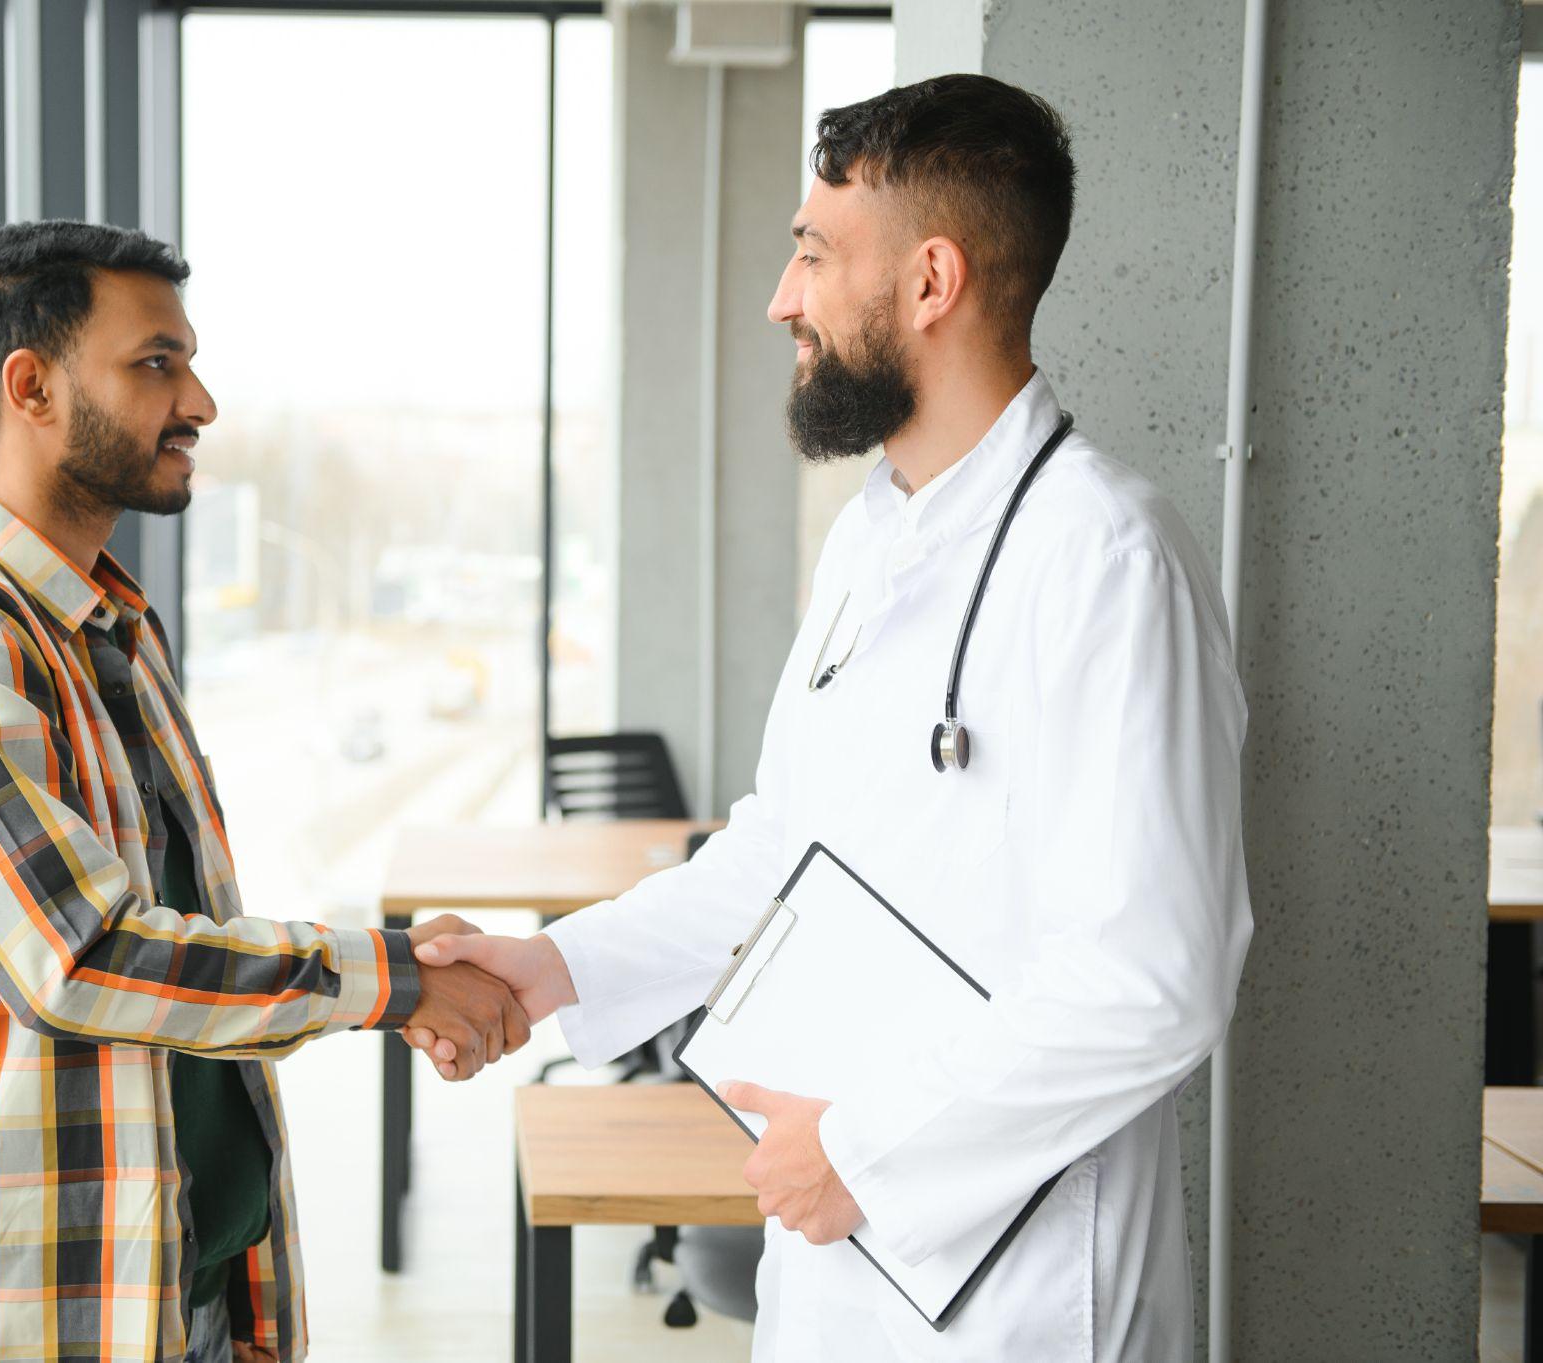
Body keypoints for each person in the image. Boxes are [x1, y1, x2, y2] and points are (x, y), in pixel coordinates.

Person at [409, 75, 1253, 1361]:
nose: (780, 299)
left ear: (928, 282)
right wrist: (559, 967)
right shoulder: (872, 540)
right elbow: (778, 858)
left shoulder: (1105, 558)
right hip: (836, 1256)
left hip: (1022, 1299)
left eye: (810, 254)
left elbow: (1153, 977)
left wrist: (865, 1150)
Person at [0, 220, 525, 1363]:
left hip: (183, 1290)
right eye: (156, 363)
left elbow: (178, 944)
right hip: (25, 1315)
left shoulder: (116, 627)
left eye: (186, 361)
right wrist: (385, 981)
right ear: (31, 386)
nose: (197, 400)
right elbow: (78, 956)